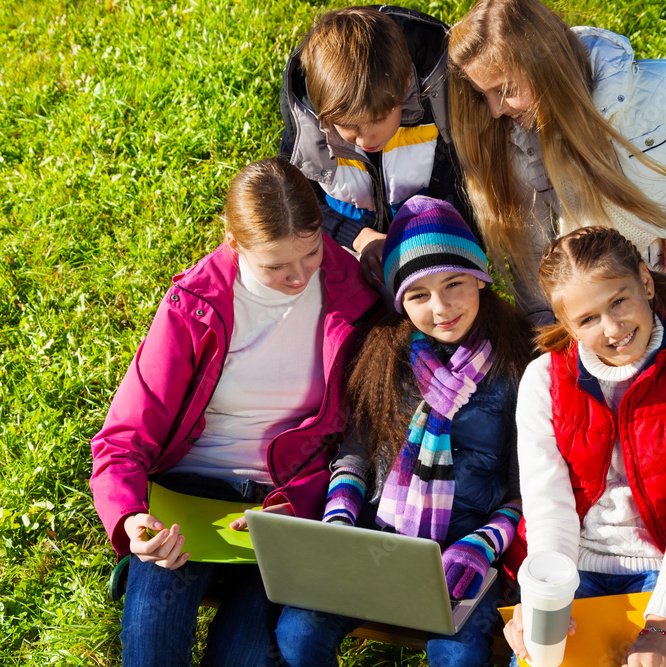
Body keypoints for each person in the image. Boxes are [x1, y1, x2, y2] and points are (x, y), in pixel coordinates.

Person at [89, 158, 379, 666]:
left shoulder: (354, 293)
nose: (296, 277)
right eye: (274, 266)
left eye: (310, 254)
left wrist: (300, 502)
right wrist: (132, 520)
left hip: (285, 503)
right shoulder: (193, 305)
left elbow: (355, 433)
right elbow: (124, 437)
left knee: (241, 657)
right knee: (151, 652)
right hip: (188, 499)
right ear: (233, 241)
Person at [275, 196, 535, 667]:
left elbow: (526, 489)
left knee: (457, 657)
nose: (441, 307)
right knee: (297, 632)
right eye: (419, 295)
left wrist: (481, 546)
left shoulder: (519, 366)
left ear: (480, 279)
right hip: (381, 539)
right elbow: (355, 453)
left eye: (455, 284)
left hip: (465, 554)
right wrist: (340, 522)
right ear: (400, 301)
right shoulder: (383, 358)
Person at [504, 226, 666, 667]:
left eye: (619, 301)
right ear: (566, 324)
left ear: (646, 281)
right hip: (575, 563)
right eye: (588, 319)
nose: (613, 328)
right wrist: (547, 595)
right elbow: (548, 505)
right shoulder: (543, 380)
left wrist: (663, 626)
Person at [447, 0, 666, 348]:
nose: (496, 109)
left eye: (506, 89)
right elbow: (534, 254)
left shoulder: (664, 90)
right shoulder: (518, 138)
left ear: (546, 64)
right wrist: (556, 338)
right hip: (599, 322)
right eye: (483, 94)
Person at [279, 6, 468, 287]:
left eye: (380, 119)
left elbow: (461, 191)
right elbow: (296, 198)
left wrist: (431, 244)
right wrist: (357, 236)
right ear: (322, 111)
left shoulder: (437, 114)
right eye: (349, 128)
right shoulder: (310, 134)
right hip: (345, 250)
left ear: (405, 87)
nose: (367, 142)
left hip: (431, 245)